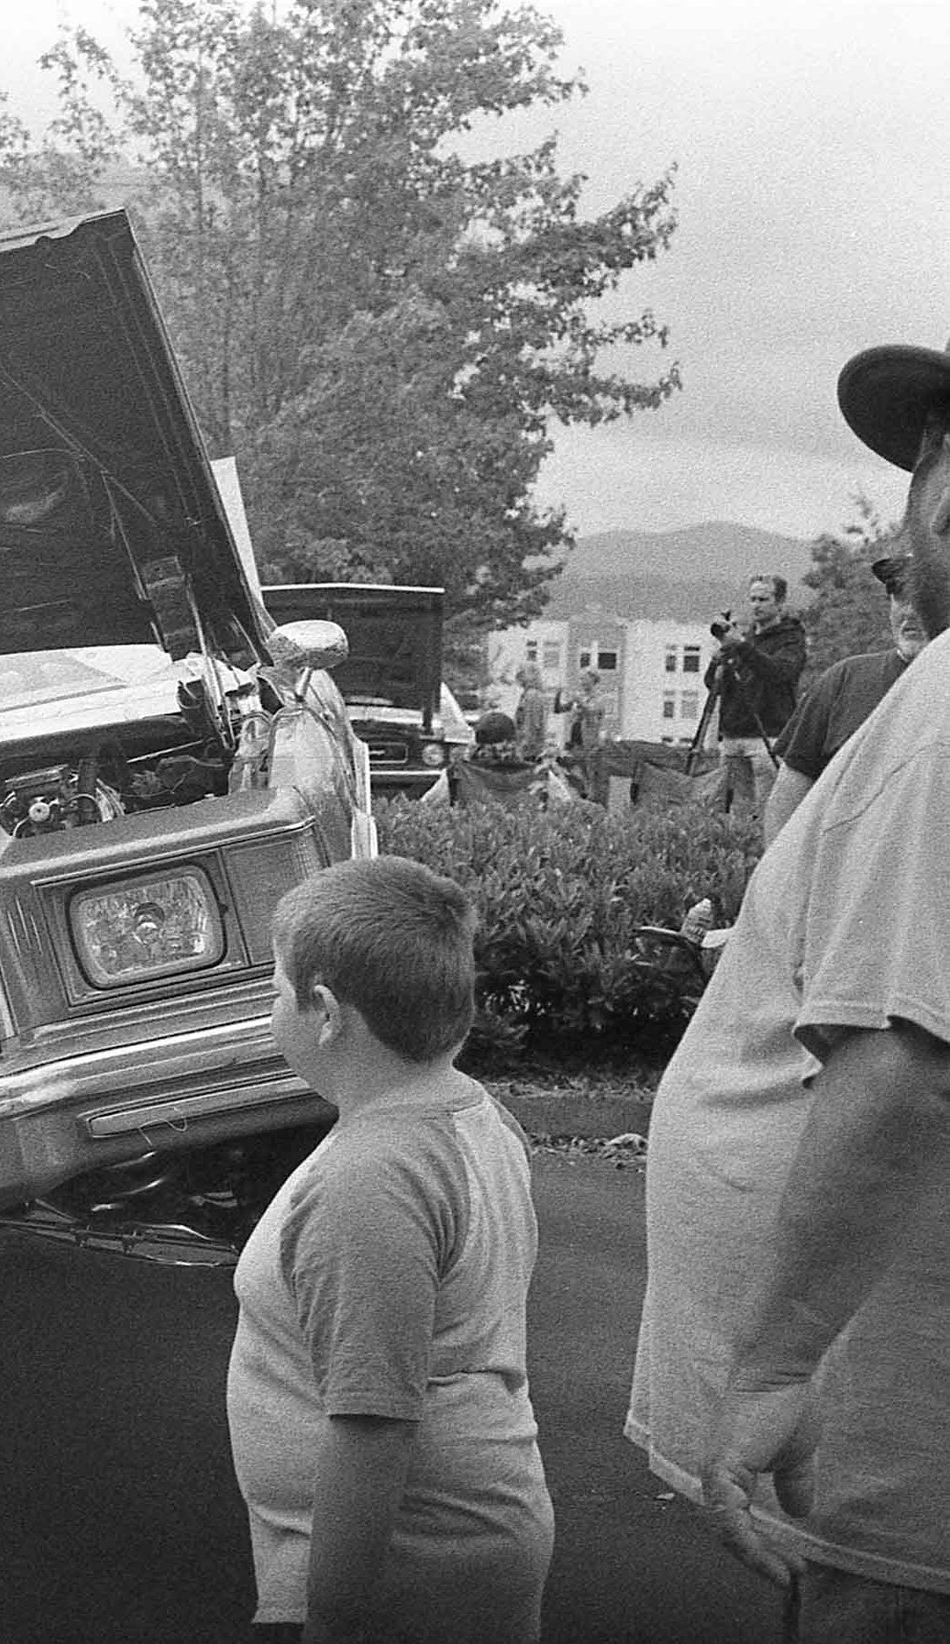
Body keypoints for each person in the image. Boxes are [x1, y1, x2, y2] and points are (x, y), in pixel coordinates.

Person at [628, 336, 950, 1639]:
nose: (913, 500)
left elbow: (910, 1073)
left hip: (906, 1444)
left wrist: (768, 1372)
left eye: (928, 458)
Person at [230, 856, 552, 1643]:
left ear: (328, 1013)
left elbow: (374, 1425)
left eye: (276, 989)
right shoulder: (469, 1113)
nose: (270, 1006)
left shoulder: (371, 1178)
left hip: (404, 1576)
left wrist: (335, 1621)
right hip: (460, 1548)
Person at [761, 554, 930, 839]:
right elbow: (789, 794)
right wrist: (779, 878)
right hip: (845, 876)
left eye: (925, 597)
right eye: (900, 597)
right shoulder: (845, 679)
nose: (909, 611)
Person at [701, 573, 807, 826]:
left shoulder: (791, 639)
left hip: (767, 737)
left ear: (779, 603)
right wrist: (718, 659)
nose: (756, 605)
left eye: (763, 599)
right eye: (752, 599)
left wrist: (742, 648)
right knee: (735, 818)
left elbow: (778, 673)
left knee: (768, 816)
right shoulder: (744, 640)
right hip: (732, 737)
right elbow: (714, 685)